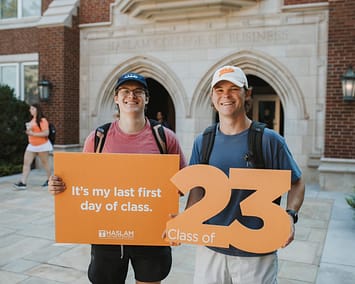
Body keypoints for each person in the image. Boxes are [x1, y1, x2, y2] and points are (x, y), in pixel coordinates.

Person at [48, 72, 187, 284]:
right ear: (116, 97)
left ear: (146, 98)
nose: (131, 96)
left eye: (138, 91)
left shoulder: (164, 138)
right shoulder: (97, 138)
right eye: (125, 91)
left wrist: (181, 219)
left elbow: (182, 184)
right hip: (107, 234)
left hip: (151, 232)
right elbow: (82, 186)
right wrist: (59, 186)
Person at [186, 65, 305, 284]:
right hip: (211, 248)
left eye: (233, 88)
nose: (226, 96)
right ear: (212, 96)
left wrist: (290, 215)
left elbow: (296, 182)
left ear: (247, 93)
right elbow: (197, 189)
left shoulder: (269, 140)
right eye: (219, 90)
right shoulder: (203, 142)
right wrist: (183, 224)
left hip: (256, 252)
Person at [13, 103, 53, 190]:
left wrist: (32, 133)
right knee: (26, 163)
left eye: (32, 109)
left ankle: (50, 180)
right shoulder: (32, 120)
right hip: (32, 145)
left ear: (36, 110)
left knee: (45, 163)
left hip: (42, 145)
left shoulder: (43, 120)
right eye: (30, 109)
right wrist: (28, 131)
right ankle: (23, 182)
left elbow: (46, 133)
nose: (30, 110)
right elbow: (31, 132)